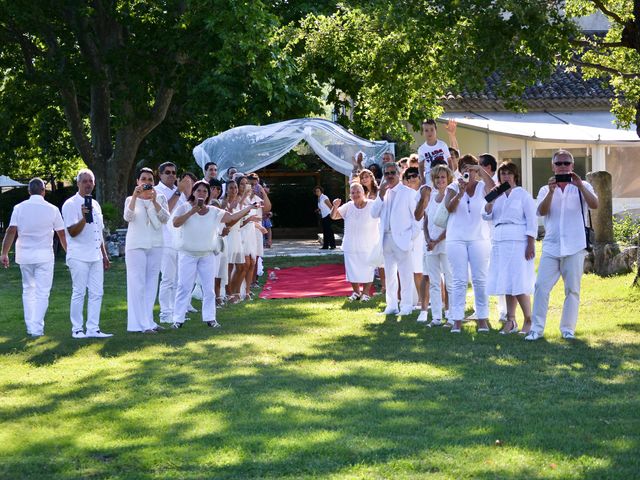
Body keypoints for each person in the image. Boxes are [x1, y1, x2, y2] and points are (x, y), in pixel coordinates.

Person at [525, 150, 599, 341]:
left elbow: (595, 204)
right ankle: (536, 329)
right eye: (559, 164)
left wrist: (580, 186)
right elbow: (540, 212)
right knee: (541, 287)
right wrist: (551, 192)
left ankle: (568, 330)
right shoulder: (545, 189)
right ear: (553, 166)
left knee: (572, 290)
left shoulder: (583, 186)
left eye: (567, 163)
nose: (563, 167)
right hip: (551, 246)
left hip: (575, 245)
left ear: (572, 166)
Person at [171, 181, 260, 329]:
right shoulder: (184, 208)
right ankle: (178, 320)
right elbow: (176, 223)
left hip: (207, 254)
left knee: (209, 288)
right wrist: (193, 211)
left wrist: (249, 208)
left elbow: (231, 217)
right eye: (198, 191)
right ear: (193, 192)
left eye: (204, 192)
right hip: (188, 254)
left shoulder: (213, 211)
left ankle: (210, 318)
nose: (201, 194)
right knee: (184, 286)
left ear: (208, 195)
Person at [1, 178, 67, 337]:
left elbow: (11, 231)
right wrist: (68, 253)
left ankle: (31, 326)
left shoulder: (19, 208)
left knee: (28, 290)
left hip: (25, 255)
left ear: (29, 191)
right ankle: (36, 327)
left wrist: (4, 253)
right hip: (44, 255)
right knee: (42, 292)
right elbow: (62, 233)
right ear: (44, 191)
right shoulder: (52, 209)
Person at [483, 161, 537, 334]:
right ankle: (511, 320)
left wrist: (530, 243)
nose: (505, 176)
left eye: (509, 173)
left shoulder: (522, 195)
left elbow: (531, 220)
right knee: (506, 280)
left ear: (515, 176)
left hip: (517, 240)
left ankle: (529, 319)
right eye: (503, 173)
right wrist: (491, 201)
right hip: (499, 240)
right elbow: (486, 215)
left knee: (518, 279)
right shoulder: (496, 193)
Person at [444, 155, 495, 333]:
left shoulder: (482, 186)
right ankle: (456, 319)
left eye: (471, 168)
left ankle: (482, 318)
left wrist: (481, 171)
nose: (468, 172)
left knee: (480, 280)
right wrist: (460, 191)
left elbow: (494, 189)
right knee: (459, 280)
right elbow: (448, 208)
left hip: (479, 238)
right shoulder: (453, 187)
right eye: (464, 168)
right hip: (456, 238)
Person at [61, 169, 113, 338]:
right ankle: (77, 329)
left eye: (90, 181)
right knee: (79, 291)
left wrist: (104, 255)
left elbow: (99, 232)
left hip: (96, 256)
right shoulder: (70, 204)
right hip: (78, 255)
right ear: (78, 184)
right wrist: (84, 218)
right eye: (84, 181)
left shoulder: (96, 205)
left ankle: (93, 328)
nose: (88, 184)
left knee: (97, 292)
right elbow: (72, 232)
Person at [124, 167, 170, 333]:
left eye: (150, 179)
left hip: (156, 244)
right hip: (136, 245)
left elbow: (165, 219)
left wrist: (155, 201)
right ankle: (140, 324)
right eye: (144, 179)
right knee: (138, 284)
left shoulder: (161, 197)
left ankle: (149, 320)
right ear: (138, 181)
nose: (147, 182)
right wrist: (136, 197)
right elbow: (128, 217)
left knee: (152, 284)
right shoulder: (130, 198)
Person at [371, 162, 419, 315]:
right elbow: (373, 214)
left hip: (403, 239)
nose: (390, 176)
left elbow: (418, 219)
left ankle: (406, 306)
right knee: (389, 275)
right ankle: (391, 305)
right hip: (386, 239)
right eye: (387, 173)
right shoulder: (383, 193)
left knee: (405, 274)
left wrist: (410, 237)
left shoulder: (409, 193)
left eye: (393, 173)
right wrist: (380, 196)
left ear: (399, 174)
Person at [155, 163, 194, 323]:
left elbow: (185, 211)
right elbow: (166, 211)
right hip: (165, 241)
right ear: (160, 174)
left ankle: (178, 312)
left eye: (173, 172)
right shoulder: (157, 191)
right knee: (168, 279)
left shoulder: (179, 192)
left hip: (180, 241)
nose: (171, 175)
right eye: (168, 173)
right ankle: (165, 313)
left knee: (181, 279)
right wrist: (179, 191)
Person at [330, 183, 380, 301]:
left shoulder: (372, 204)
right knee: (352, 269)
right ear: (350, 195)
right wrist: (335, 206)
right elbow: (334, 216)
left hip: (369, 243)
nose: (355, 194)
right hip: (350, 244)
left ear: (363, 193)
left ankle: (366, 293)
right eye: (353, 192)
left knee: (368, 269)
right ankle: (356, 292)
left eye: (358, 192)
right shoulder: (348, 206)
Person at [421, 165, 454, 327]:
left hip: (446, 244)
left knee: (450, 281)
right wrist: (428, 239)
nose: (440, 180)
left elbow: (451, 225)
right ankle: (436, 317)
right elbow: (426, 220)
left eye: (443, 177)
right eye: (437, 177)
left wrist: (437, 240)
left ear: (448, 179)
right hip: (430, 245)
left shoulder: (451, 196)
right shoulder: (431, 197)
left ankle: (453, 317)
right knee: (434, 281)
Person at [418, 119, 451, 188]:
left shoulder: (442, 145)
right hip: (430, 178)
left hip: (443, 176)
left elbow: (449, 160)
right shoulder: (421, 149)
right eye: (426, 130)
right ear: (423, 132)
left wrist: (451, 174)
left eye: (432, 129)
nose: (429, 132)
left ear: (436, 130)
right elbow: (420, 166)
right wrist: (422, 178)